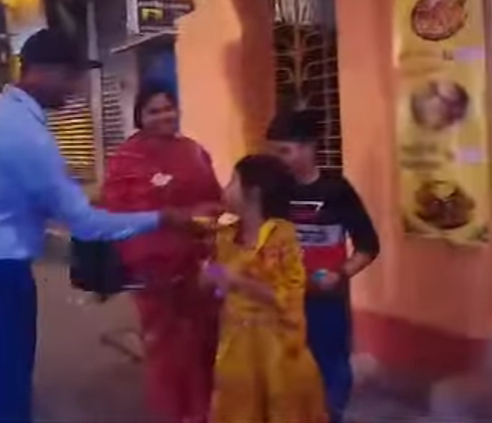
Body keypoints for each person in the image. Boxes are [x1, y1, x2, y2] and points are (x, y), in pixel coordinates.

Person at [0, 30, 204, 423]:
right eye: (71, 76)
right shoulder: (28, 136)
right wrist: (164, 218)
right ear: (44, 72)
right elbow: (85, 224)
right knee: (4, 395)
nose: (76, 87)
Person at [100, 84, 223, 423]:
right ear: (140, 116)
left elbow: (216, 198)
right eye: (154, 111)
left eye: (169, 108)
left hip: (204, 264)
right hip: (154, 271)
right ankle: (174, 413)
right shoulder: (126, 160)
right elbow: (118, 215)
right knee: (166, 346)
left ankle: (202, 411)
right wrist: (174, 221)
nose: (164, 116)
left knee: (206, 339)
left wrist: (210, 220)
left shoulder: (194, 151)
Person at [266, 109, 380, 423]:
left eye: (285, 151)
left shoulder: (336, 190)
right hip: (283, 301)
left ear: (309, 147)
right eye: (274, 152)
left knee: (331, 370)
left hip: (327, 302)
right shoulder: (273, 192)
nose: (279, 160)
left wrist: (339, 274)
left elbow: (368, 246)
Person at [201, 154, 328, 423]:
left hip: (276, 350)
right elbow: (217, 278)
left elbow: (288, 296)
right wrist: (210, 275)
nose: (225, 188)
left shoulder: (282, 238)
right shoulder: (225, 235)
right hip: (237, 347)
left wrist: (238, 281)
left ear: (254, 192)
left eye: (233, 181)